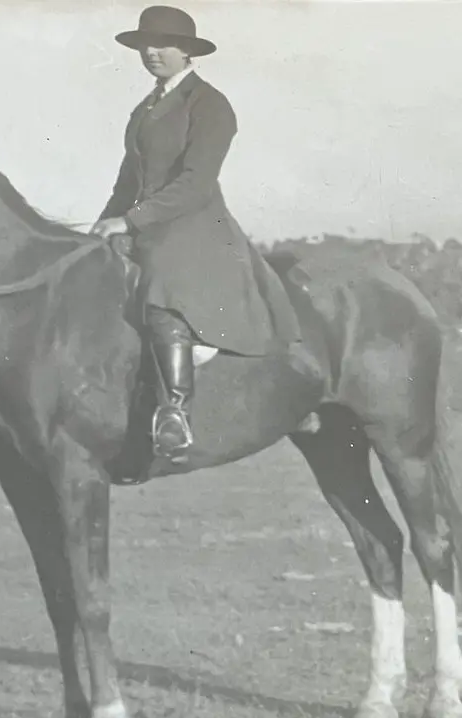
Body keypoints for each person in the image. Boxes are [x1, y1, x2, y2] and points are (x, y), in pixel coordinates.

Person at [91, 5, 301, 463]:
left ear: (187, 52)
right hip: (146, 223)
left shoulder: (209, 104)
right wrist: (104, 223)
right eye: (145, 45)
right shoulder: (144, 110)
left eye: (163, 44)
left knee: (162, 284)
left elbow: (195, 182)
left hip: (194, 229)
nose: (152, 52)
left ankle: (175, 413)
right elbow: (128, 183)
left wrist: (130, 221)